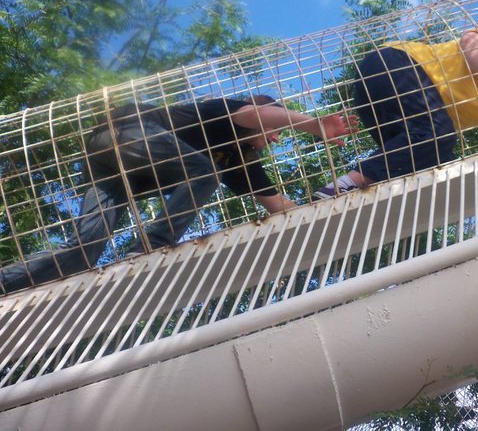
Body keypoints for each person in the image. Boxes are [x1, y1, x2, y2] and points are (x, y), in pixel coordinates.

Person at [0, 95, 355, 293]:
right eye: (276, 129)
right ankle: (152, 244)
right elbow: (258, 114)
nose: (277, 137)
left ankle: (6, 282)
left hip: (113, 169)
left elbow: (280, 206)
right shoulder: (228, 114)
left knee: (81, 253)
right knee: (206, 172)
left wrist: (328, 210)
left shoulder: (237, 163)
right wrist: (312, 125)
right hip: (126, 133)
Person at [313, 27, 478, 199]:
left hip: (392, 106)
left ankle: (359, 193)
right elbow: (471, 43)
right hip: (393, 66)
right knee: (439, 134)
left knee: (432, 156)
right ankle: (343, 186)